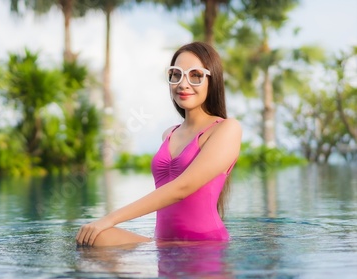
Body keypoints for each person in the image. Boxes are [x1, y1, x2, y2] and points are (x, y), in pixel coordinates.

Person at [76, 41, 242, 247]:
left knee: (101, 228)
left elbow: (182, 187)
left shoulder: (226, 129)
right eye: (176, 74)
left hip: (204, 245)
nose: (183, 83)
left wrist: (110, 218)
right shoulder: (169, 134)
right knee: (94, 238)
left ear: (212, 80)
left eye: (195, 75)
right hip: (164, 245)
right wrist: (103, 225)